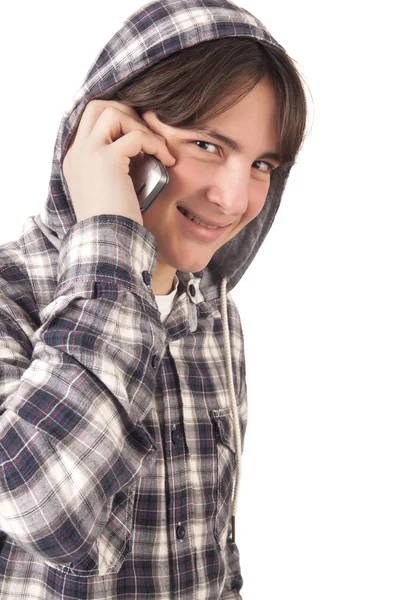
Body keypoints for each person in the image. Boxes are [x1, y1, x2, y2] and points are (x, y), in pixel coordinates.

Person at [0, 0, 307, 598]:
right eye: (207, 146)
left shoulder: (213, 314)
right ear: (113, 132)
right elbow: (41, 507)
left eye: (263, 163)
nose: (234, 197)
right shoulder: (11, 292)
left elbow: (215, 551)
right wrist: (113, 248)